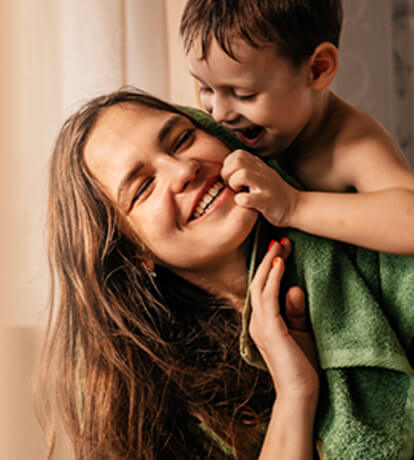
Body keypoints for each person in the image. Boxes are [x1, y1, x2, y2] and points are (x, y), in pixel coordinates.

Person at [38, 88, 414, 460]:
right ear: (134, 253)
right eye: (144, 187)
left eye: (183, 139)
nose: (184, 169)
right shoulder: (144, 402)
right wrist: (295, 392)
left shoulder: (364, 229)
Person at [180, 0, 414, 256]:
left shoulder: (352, 142)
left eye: (243, 94)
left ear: (317, 69)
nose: (220, 113)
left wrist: (294, 206)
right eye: (206, 88)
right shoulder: (232, 129)